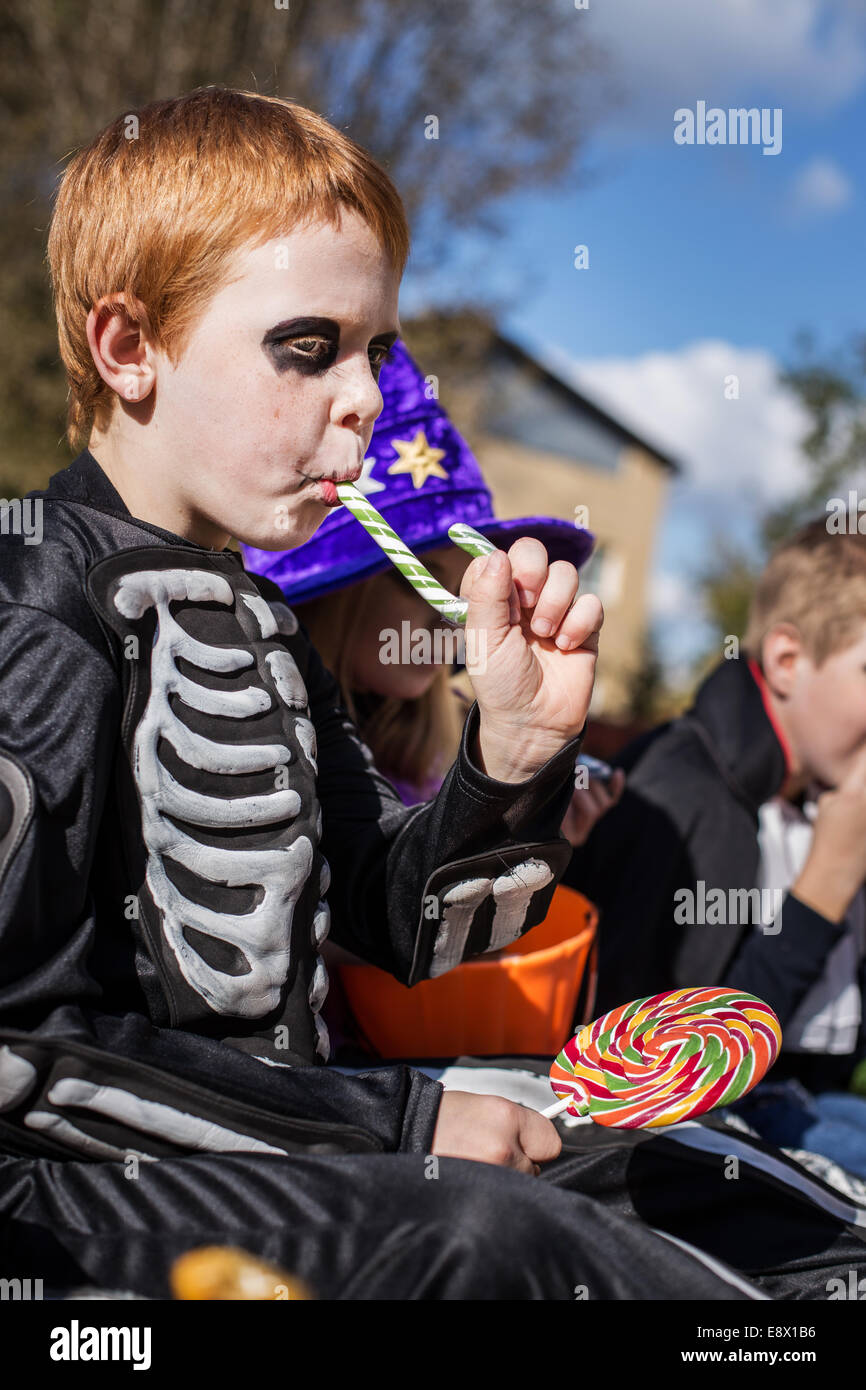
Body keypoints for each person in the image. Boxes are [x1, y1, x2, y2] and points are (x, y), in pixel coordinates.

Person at [0, 86, 863, 1301]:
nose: (361, 394)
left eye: (375, 349)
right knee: (493, 1240)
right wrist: (398, 1125)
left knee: (726, 1180)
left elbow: (394, 921)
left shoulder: (254, 618)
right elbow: (18, 1050)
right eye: (308, 347)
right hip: (79, 1198)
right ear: (128, 346)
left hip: (316, 1146)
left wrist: (509, 753)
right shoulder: (37, 612)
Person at [566, 519, 866, 1175]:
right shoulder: (690, 798)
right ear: (788, 661)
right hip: (698, 1134)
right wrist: (824, 889)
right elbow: (661, 1080)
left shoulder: (825, 785)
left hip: (805, 1095)